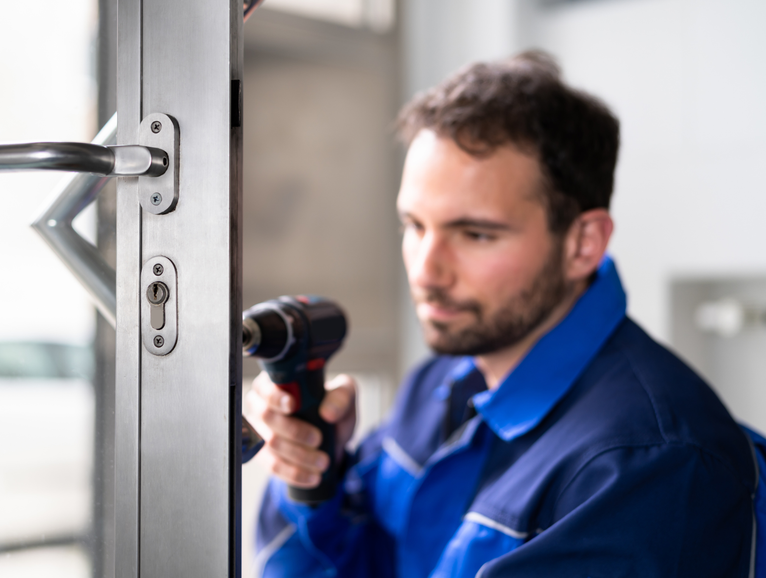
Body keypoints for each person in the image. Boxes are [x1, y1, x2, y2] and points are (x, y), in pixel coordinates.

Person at [245, 51, 757, 577]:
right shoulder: (439, 384)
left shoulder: (649, 464)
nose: (426, 269)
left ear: (583, 243)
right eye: (415, 226)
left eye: (475, 234)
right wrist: (313, 473)